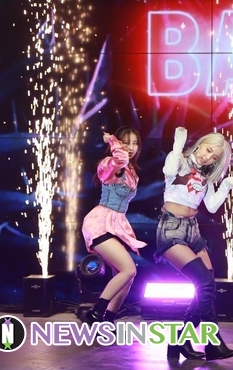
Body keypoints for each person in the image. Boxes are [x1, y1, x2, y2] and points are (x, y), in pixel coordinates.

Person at [155, 127, 233, 361]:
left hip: (193, 231)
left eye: (214, 157)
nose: (207, 157)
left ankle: (179, 340)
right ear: (201, 143)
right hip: (171, 228)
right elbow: (168, 170)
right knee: (203, 282)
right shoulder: (179, 161)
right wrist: (178, 143)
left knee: (207, 284)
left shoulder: (206, 176)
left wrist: (226, 184)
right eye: (208, 150)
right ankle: (213, 343)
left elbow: (211, 206)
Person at [80, 126, 147, 325]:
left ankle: (108, 320)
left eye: (135, 143)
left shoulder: (131, 171)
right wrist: (113, 142)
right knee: (129, 270)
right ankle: (95, 313)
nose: (131, 147)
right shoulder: (110, 164)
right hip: (99, 223)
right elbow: (121, 159)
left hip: (115, 225)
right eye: (126, 142)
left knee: (126, 277)